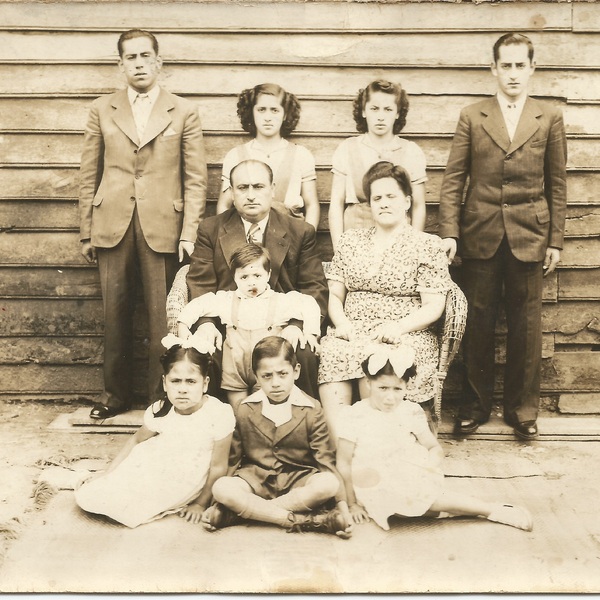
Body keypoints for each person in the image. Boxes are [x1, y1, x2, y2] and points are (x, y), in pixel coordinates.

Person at [438, 33, 567, 440]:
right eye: (505, 65)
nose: (513, 73)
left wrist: (555, 240)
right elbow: (454, 179)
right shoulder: (473, 116)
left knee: (526, 328)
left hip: (530, 234)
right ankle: (474, 407)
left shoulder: (549, 117)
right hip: (480, 233)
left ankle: (522, 411)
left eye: (520, 65)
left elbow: (557, 183)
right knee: (477, 323)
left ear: (532, 68)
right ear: (493, 68)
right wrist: (450, 232)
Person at [79, 28, 207, 420]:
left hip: (163, 226)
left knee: (160, 316)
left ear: (158, 62)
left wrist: (189, 231)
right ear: (120, 64)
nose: (138, 63)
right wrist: (86, 230)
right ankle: (114, 396)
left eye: (145, 56)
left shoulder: (182, 111)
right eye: (130, 57)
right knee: (114, 315)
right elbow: (88, 173)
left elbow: (195, 178)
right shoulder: (102, 109)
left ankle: (160, 396)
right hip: (111, 223)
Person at [318, 161, 452, 438]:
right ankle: (340, 445)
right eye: (377, 198)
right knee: (334, 351)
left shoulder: (427, 245)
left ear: (407, 201)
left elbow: (434, 306)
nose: (384, 203)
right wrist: (341, 323)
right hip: (353, 328)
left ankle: (377, 445)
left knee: (381, 356)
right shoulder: (350, 241)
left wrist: (398, 327)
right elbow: (334, 294)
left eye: (391, 196)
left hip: (405, 332)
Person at [335, 346, 533, 532]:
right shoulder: (354, 415)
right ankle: (456, 508)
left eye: (398, 389)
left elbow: (433, 447)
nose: (390, 397)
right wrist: (352, 504)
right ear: (368, 383)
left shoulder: (410, 411)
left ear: (406, 387)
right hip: (371, 481)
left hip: (405, 474)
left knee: (410, 499)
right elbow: (343, 463)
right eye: (383, 388)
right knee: (404, 506)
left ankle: (490, 510)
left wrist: (428, 466)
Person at [187, 159, 327, 399]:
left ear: (272, 189)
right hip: (229, 327)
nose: (250, 195)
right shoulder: (211, 229)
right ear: (231, 192)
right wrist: (206, 323)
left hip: (282, 325)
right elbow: (201, 282)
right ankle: (216, 419)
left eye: (258, 187)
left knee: (301, 350)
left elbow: (314, 286)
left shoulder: (300, 231)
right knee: (204, 348)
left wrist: (296, 325)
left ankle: (299, 418)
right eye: (242, 188)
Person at [75, 336, 235, 528]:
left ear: (205, 383)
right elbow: (137, 441)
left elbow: (218, 467)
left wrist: (200, 503)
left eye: (191, 382)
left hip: (187, 476)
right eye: (175, 381)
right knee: (102, 492)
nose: (182, 389)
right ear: (165, 383)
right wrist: (109, 472)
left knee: (134, 506)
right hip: (156, 464)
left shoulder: (218, 414)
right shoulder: (161, 409)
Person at [202, 336, 352, 538]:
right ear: (256, 376)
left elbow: (325, 460)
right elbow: (233, 459)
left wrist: (343, 506)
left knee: (328, 483)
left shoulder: (312, 408)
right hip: (256, 480)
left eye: (282, 374)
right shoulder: (245, 409)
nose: (275, 383)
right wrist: (216, 503)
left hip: (299, 479)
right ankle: (306, 520)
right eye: (267, 376)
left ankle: (246, 514)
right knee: (222, 488)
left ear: (296, 371)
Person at [177, 244, 321, 410]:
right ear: (235, 277)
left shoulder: (280, 301)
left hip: (266, 367)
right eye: (244, 277)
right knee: (238, 409)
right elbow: (199, 304)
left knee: (261, 408)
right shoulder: (226, 300)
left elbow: (308, 304)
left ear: (268, 275)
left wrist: (311, 333)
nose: (251, 282)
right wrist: (183, 326)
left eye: (257, 275)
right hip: (235, 369)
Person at [329, 79, 427, 252]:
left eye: (388, 109)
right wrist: (339, 249)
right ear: (364, 111)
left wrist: (413, 248)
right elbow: (336, 203)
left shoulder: (411, 151)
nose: (381, 116)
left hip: (398, 242)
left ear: (397, 113)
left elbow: (418, 205)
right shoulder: (347, 148)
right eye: (374, 109)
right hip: (355, 238)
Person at [216, 83, 320, 230]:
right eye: (261, 110)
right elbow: (224, 205)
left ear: (285, 115)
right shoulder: (235, 155)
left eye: (275, 110)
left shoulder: (301, 155)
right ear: (252, 113)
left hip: (291, 232)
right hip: (245, 233)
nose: (268, 118)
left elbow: (312, 205)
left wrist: (306, 238)